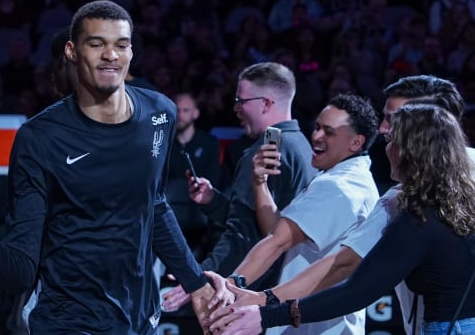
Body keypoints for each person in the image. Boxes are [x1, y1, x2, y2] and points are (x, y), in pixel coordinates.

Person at [0, 0, 219, 333]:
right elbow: (20, 271)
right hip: (65, 321)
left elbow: (155, 205)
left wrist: (196, 282)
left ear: (131, 52)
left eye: (121, 45)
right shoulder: (39, 138)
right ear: (72, 51)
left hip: (140, 318)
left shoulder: (160, 113)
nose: (110, 55)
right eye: (96, 44)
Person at [215, 75, 474, 335]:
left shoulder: (408, 209)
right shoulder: (435, 195)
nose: (384, 133)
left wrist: (264, 306)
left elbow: (349, 275)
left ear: (421, 135)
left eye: (395, 124)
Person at [206, 94, 380, 334]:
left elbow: (277, 241)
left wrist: (233, 286)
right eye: (317, 127)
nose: (316, 136)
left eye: (328, 132)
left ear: (355, 142)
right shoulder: (344, 178)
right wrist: (260, 182)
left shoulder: (340, 188)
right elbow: (277, 231)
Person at [162, 62, 317, 311]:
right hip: (289, 291)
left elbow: (243, 235)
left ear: (266, 103)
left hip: (259, 296)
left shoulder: (264, 153)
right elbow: (267, 222)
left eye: (241, 101)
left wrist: (200, 278)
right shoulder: (301, 145)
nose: (236, 109)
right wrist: (214, 201)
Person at [166, 92, 221, 256]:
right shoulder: (163, 143)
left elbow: (215, 179)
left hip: (198, 209)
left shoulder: (209, 143)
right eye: (177, 110)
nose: (180, 115)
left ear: (195, 113)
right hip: (168, 209)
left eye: (186, 110)